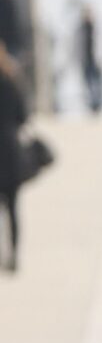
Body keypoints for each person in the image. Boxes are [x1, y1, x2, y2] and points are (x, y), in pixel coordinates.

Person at [0, 43, 28, 271]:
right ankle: (14, 254)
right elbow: (23, 116)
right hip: (10, 150)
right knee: (13, 208)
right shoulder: (12, 84)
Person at [76, 2, 102, 114]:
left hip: (98, 61)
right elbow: (75, 47)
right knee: (89, 84)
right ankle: (93, 105)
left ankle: (98, 104)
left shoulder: (101, 26)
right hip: (86, 61)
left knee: (99, 84)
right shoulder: (79, 29)